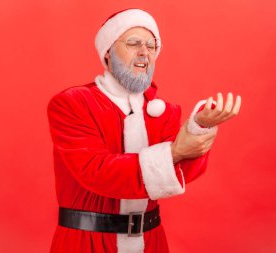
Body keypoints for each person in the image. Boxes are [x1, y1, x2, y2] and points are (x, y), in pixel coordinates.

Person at [47, 8, 241, 253]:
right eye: (133, 43)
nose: (144, 53)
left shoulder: (165, 111)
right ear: (107, 53)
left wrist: (198, 129)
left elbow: (182, 172)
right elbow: (95, 171)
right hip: (88, 244)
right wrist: (173, 152)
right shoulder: (72, 103)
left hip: (151, 243)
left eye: (152, 46)